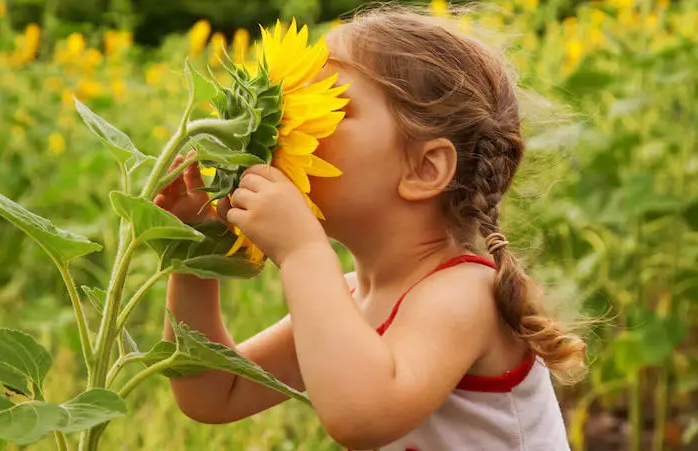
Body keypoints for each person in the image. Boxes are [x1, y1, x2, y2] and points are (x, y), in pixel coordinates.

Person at [155, 6, 586, 450]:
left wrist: (304, 253)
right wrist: (195, 250)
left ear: (424, 168)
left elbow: (362, 418)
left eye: (330, 106)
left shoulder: (465, 296)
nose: (289, 124)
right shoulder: (351, 298)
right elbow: (215, 393)